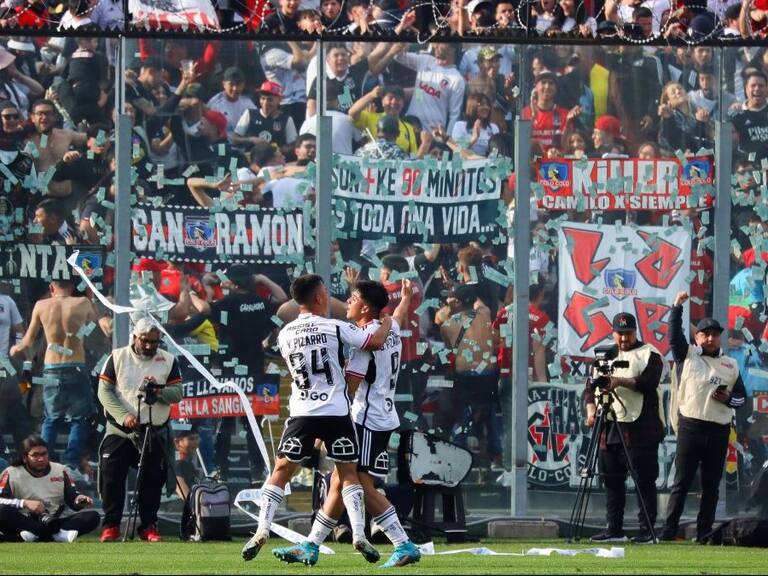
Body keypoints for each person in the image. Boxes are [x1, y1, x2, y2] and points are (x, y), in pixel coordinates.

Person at [241, 274, 392, 562]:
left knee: (282, 470)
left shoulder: (285, 334)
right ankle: (359, 534)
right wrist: (386, 320)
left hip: (302, 411)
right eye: (325, 291)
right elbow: (373, 342)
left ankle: (261, 529)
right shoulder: (335, 327)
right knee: (348, 474)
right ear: (320, 297)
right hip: (336, 410)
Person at [271, 280, 421, 568]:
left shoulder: (365, 341)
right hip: (383, 415)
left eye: (352, 299)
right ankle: (311, 545)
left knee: (360, 485)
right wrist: (401, 303)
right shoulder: (390, 329)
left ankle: (403, 544)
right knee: (340, 483)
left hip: (365, 418)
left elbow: (349, 388)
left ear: (365, 308)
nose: (346, 303)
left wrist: (322, 430)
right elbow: (396, 318)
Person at [661, 292, 747, 542]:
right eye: (705, 334)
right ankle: (668, 532)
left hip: (719, 430)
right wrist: (676, 307)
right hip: (691, 426)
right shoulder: (686, 354)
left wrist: (728, 399)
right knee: (682, 483)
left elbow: (742, 398)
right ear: (697, 337)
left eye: (715, 334)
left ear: (720, 337)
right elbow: (673, 335)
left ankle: (704, 533)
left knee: (711, 486)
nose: (710, 338)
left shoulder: (731, 363)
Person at [97, 318, 183, 543]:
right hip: (120, 429)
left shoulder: (168, 360)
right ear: (135, 337)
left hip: (153, 429)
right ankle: (111, 525)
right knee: (111, 478)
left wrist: (159, 391)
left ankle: (149, 525)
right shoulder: (117, 357)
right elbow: (104, 392)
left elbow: (178, 394)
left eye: (154, 342)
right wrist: (123, 416)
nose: (148, 346)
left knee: (153, 481)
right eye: (144, 341)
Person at [584, 312, 665, 544]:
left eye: (628, 333)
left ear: (635, 332)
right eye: (619, 333)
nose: (623, 339)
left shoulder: (649, 353)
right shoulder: (604, 354)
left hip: (640, 427)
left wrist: (619, 381)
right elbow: (590, 386)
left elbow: (649, 382)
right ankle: (614, 529)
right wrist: (590, 411)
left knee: (643, 480)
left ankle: (647, 530)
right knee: (611, 480)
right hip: (607, 424)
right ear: (613, 332)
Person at [10, 280, 102, 473]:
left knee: (51, 418)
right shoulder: (82, 303)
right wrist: (89, 297)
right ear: (72, 287)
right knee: (80, 417)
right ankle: (69, 463)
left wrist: (15, 348)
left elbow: (26, 341)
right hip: (76, 366)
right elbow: (98, 325)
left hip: (51, 367)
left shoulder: (41, 306)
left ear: (51, 288)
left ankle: (44, 461)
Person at [0, 435, 99, 542]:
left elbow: (72, 498)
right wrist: (24, 503)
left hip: (53, 521)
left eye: (44, 454)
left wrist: (79, 500)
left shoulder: (60, 470)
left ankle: (34, 536)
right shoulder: (11, 473)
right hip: (24, 520)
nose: (41, 459)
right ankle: (56, 535)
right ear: (25, 457)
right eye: (35, 455)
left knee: (93, 516)